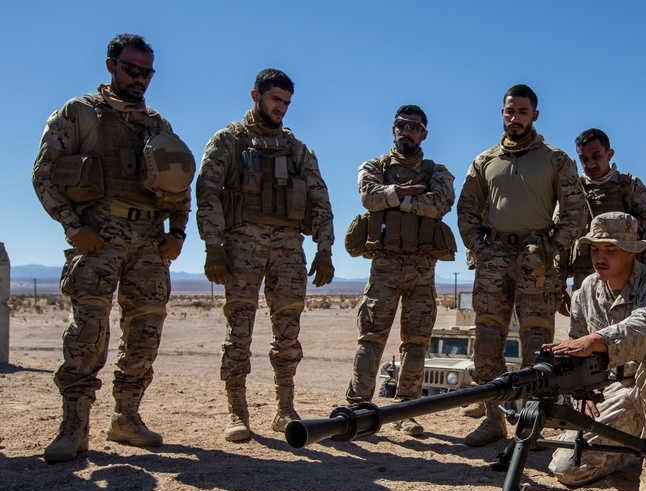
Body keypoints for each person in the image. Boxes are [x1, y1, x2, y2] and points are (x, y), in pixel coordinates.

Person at [31, 34, 195, 463]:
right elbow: (43, 175)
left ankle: (126, 418)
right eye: (132, 69)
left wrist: (177, 234)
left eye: (147, 72)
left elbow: (181, 187)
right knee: (87, 330)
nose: (140, 79)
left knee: (145, 332)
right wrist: (72, 226)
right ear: (111, 65)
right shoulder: (79, 113)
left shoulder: (158, 125)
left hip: (148, 242)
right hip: (98, 235)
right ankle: (74, 426)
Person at [196, 69, 334, 442]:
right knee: (239, 329)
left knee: (288, 329)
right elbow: (207, 193)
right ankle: (236, 411)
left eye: (287, 102)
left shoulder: (298, 150)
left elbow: (320, 200)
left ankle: (284, 408)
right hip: (242, 244)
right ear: (255, 95)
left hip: (289, 246)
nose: (281, 108)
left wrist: (324, 249)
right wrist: (212, 246)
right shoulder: (229, 141)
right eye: (275, 100)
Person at [457, 84, 589, 447]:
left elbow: (576, 211)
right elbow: (466, 209)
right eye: (509, 111)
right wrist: (479, 249)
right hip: (494, 257)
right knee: (486, 341)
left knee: (536, 345)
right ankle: (492, 419)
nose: (515, 117)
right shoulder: (485, 161)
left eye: (522, 111)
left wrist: (551, 248)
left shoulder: (556, 158)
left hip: (537, 259)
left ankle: (533, 421)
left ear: (535, 115)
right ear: (502, 113)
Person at [546, 212, 646, 491]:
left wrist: (597, 340)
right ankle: (634, 441)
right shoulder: (584, 294)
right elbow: (579, 353)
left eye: (610, 250)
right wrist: (584, 392)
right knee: (568, 469)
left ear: (631, 251)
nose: (599, 257)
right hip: (615, 391)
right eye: (594, 249)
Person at [344, 105, 456, 435]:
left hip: (422, 268)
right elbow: (369, 197)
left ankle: (406, 409)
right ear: (393, 129)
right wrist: (406, 192)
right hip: (385, 266)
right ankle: (358, 408)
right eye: (401, 125)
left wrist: (397, 200)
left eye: (414, 127)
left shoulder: (438, 171)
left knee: (417, 342)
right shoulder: (374, 165)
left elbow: (441, 204)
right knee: (371, 338)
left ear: (424, 134)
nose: (406, 131)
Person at [572, 128, 646, 288]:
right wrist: (559, 283)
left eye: (596, 156)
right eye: (584, 159)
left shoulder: (630, 186)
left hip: (626, 275)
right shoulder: (575, 191)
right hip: (585, 276)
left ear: (609, 154)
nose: (590, 164)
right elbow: (563, 234)